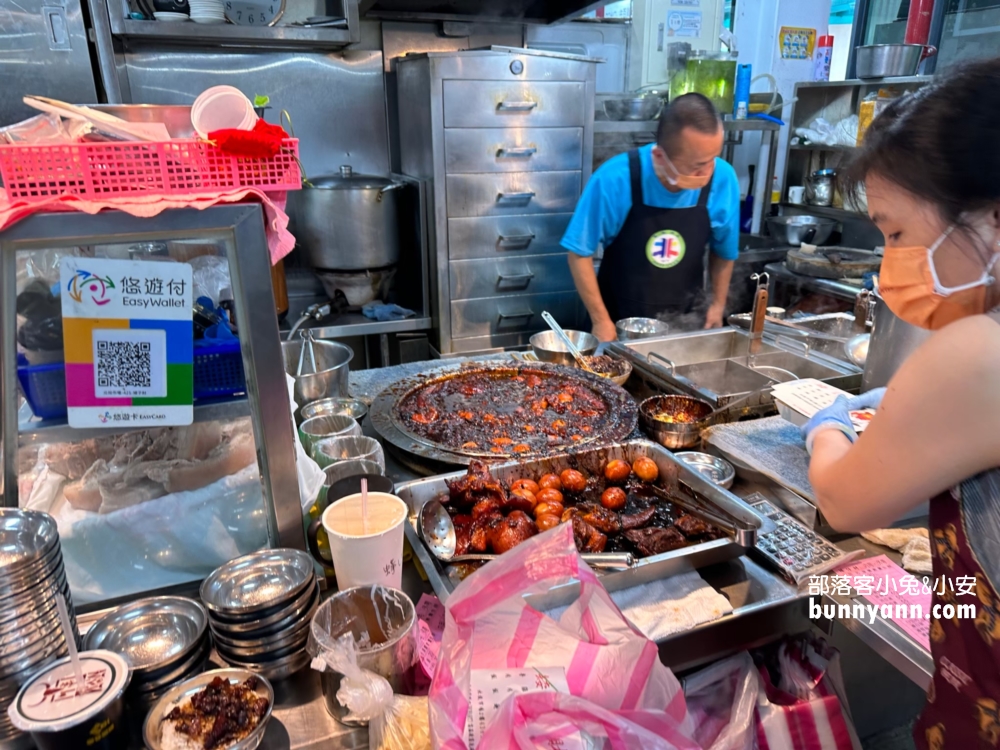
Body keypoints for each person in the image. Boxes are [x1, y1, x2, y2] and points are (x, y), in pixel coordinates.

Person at [801, 58, 1000, 749]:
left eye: (894, 233)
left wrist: (829, 426)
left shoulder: (979, 350)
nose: (889, 266)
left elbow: (843, 502)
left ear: (993, 218)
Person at [561, 93, 741, 342]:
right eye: (697, 166)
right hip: (617, 324)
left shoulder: (723, 178)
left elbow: (724, 251)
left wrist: (717, 305)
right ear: (659, 157)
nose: (708, 172)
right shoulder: (615, 178)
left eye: (713, 159)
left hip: (685, 325)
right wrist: (600, 320)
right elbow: (579, 254)